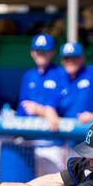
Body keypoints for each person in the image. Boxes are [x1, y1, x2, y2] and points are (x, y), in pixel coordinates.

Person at [17, 34, 66, 177]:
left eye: (45, 51)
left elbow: (62, 107)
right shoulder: (28, 76)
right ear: (32, 53)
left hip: (53, 140)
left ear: (52, 52)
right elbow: (22, 107)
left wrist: (40, 110)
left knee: (54, 184)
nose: (41, 54)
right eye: (38, 51)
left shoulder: (61, 73)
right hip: (29, 140)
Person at [53, 42, 93, 125]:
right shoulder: (58, 78)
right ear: (61, 61)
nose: (70, 61)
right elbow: (50, 104)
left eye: (74, 57)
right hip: (66, 132)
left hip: (92, 129)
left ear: (82, 58)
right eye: (66, 58)